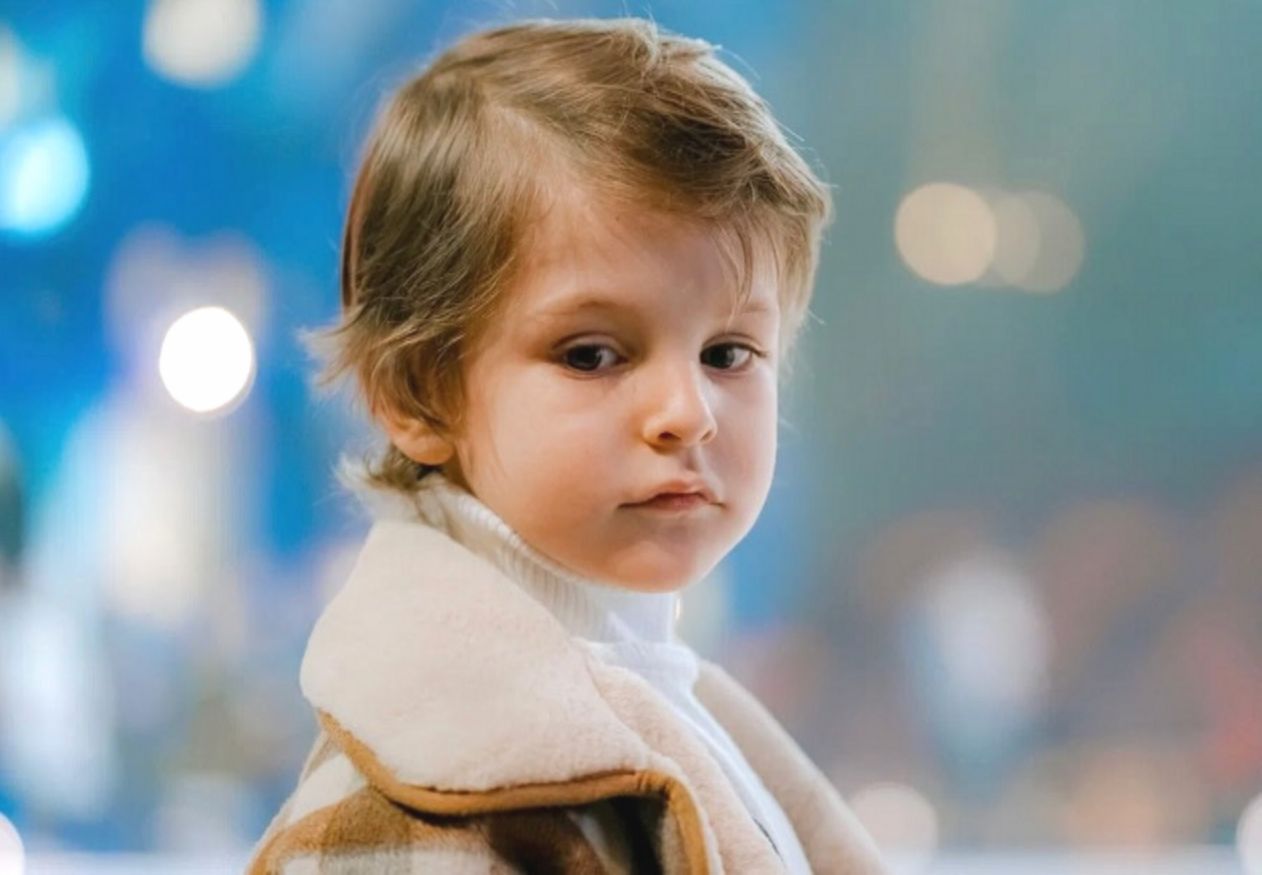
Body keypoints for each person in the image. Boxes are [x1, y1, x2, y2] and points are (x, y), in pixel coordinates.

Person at [248, 16, 888, 874]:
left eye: (728, 353)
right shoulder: (410, 814)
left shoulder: (670, 701)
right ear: (417, 393)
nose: (687, 412)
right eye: (592, 355)